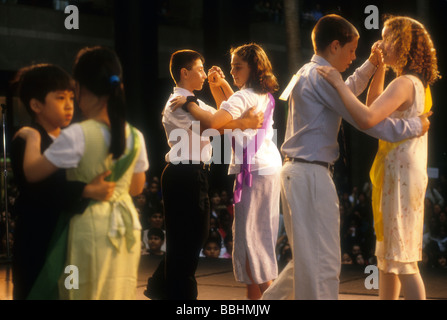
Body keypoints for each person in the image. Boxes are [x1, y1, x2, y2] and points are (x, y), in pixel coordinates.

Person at [261, 14, 431, 300]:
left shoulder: (309, 72)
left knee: (305, 258)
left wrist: (371, 65)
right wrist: (413, 126)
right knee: (324, 261)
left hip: (298, 173)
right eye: (352, 50)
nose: (355, 56)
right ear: (335, 46)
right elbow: (364, 118)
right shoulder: (322, 76)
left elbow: (348, 92)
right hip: (311, 174)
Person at [318, 16, 439, 300]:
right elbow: (374, 105)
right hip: (400, 174)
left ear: (403, 43)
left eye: (387, 38)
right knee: (390, 258)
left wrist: (338, 84)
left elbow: (368, 117)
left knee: (403, 260)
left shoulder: (405, 83)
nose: (381, 43)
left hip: (400, 178)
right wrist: (380, 66)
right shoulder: (412, 82)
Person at [15, 46, 149, 300]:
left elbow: (33, 173)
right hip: (126, 226)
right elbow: (137, 188)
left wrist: (31, 136)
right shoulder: (135, 135)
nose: (69, 103)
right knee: (118, 290)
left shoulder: (77, 134)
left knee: (83, 291)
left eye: (70, 94)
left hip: (90, 226)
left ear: (80, 90)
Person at [145, 49, 263, 300]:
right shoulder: (179, 103)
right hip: (184, 173)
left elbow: (222, 113)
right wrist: (244, 124)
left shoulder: (192, 102)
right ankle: (181, 296)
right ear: (184, 73)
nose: (203, 73)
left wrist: (220, 84)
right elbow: (214, 125)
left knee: (187, 240)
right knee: (188, 242)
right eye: (199, 69)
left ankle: (159, 287)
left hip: (190, 174)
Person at [172, 43, 282, 300]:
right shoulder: (260, 94)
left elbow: (213, 122)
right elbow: (232, 114)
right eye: (231, 66)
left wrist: (189, 102)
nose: (232, 71)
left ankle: (275, 298)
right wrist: (217, 85)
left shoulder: (243, 96)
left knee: (253, 243)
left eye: (238, 67)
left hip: (253, 171)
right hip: (267, 167)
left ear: (253, 68)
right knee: (255, 240)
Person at [10, 64, 115, 300]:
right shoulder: (29, 137)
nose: (69, 104)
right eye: (60, 98)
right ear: (36, 105)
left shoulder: (71, 138)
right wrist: (86, 189)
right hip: (39, 235)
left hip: (70, 235)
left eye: (71, 97)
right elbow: (38, 188)